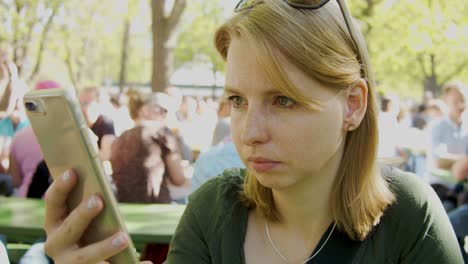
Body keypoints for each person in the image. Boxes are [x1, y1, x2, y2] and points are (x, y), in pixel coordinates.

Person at [42, 0, 463, 263]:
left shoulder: (408, 216)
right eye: (238, 101)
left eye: (283, 100)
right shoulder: (212, 212)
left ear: (352, 104)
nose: (249, 133)